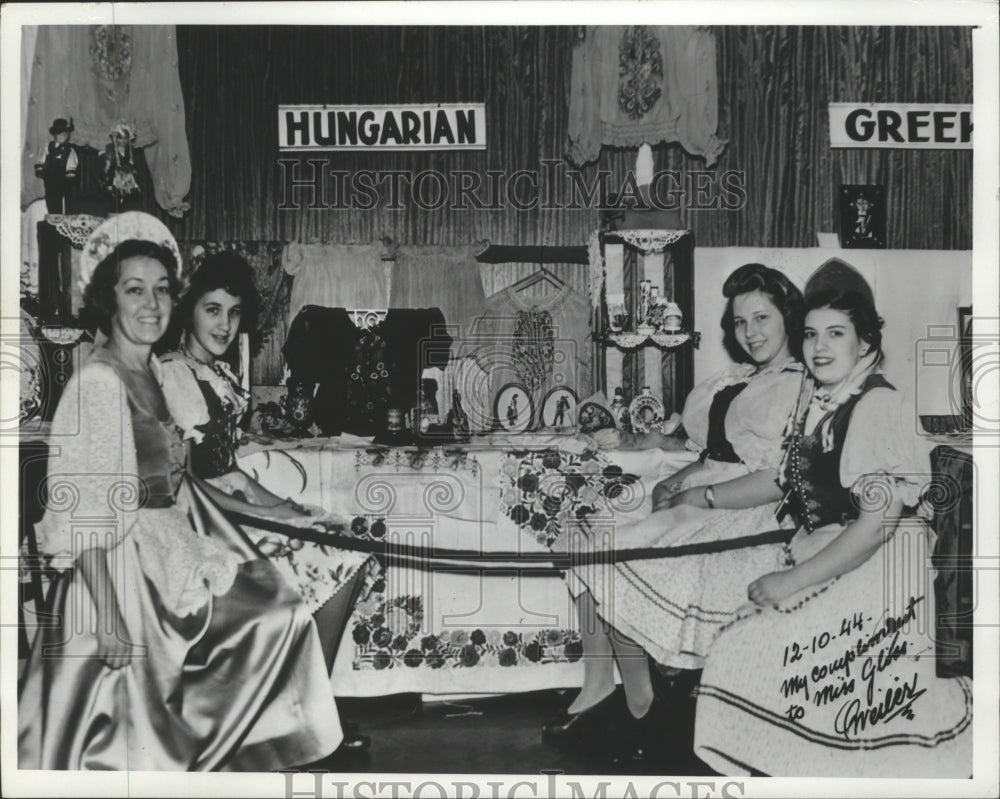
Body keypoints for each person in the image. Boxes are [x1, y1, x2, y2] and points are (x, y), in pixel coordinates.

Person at [18, 213, 342, 771]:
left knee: (280, 614)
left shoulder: (158, 375)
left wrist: (268, 519)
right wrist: (111, 620)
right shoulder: (97, 384)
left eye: (162, 290)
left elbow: (183, 483)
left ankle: (241, 751)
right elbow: (85, 514)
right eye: (134, 290)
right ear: (107, 300)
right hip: (116, 577)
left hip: (166, 547)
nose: (152, 304)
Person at [692, 259, 972, 777]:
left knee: (744, 647)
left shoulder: (876, 408)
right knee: (736, 634)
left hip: (883, 572)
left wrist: (791, 579)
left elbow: (872, 529)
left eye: (836, 334)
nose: (819, 347)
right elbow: (797, 485)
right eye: (811, 335)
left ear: (864, 343)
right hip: (841, 553)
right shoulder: (826, 399)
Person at [545, 264, 806, 761]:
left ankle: (642, 702)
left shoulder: (796, 385)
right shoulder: (742, 377)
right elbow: (710, 448)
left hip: (745, 510)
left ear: (787, 318)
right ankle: (601, 682)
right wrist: (676, 476)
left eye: (761, 318)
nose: (749, 332)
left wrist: (698, 497)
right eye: (739, 322)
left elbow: (776, 478)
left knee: (617, 556)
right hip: (705, 486)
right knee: (583, 527)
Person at [158, 251, 376, 749]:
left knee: (339, 535)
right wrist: (264, 516)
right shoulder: (174, 374)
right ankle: (303, 715)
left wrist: (284, 507)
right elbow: (190, 484)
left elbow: (230, 468)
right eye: (213, 310)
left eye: (233, 313)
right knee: (339, 558)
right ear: (189, 310)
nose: (225, 324)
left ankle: (306, 704)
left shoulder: (214, 375)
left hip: (228, 509)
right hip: (198, 527)